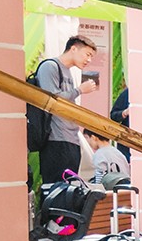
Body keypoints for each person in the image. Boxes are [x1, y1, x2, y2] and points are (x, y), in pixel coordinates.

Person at [34, 36, 99, 187]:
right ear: (73, 48)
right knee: (56, 190)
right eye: (87, 54)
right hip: (55, 140)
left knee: (69, 190)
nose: (89, 60)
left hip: (71, 139)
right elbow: (51, 100)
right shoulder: (50, 66)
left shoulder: (68, 72)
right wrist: (79, 90)